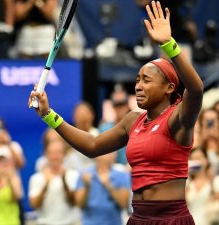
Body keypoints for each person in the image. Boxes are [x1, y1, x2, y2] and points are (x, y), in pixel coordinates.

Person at [29, 1, 204, 224]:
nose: (138, 86)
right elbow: (92, 146)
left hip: (171, 218)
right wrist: (48, 114)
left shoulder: (179, 118)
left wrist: (169, 44)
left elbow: (196, 89)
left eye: (146, 80)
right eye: (137, 80)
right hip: (138, 217)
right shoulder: (132, 121)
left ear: (169, 87)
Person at [28, 140, 81, 225]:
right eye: (51, 153)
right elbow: (34, 205)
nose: (54, 156)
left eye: (58, 152)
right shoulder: (36, 178)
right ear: (46, 155)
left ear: (64, 155)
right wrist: (46, 184)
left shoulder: (74, 175)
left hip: (70, 222)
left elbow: (75, 202)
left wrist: (64, 181)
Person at [75, 152, 131, 225]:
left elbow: (123, 204)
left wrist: (108, 185)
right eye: (108, 153)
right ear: (97, 156)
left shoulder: (121, 175)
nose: (113, 155)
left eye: (114, 153)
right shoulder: (85, 175)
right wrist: (87, 187)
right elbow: (79, 205)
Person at [186, 147, 219, 225]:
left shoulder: (217, 181)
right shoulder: (188, 184)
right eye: (192, 159)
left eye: (198, 158)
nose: (195, 161)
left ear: (206, 160)